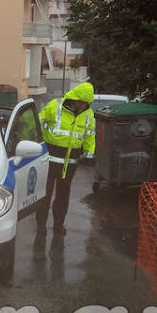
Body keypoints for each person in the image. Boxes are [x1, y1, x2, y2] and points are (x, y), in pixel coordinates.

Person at [38, 82, 96, 235]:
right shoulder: (55, 106)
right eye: (81, 101)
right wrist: (35, 142)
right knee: (45, 195)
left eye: (85, 103)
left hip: (70, 163)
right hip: (48, 160)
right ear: (75, 98)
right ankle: (41, 226)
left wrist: (89, 155)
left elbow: (90, 135)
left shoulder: (89, 115)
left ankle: (58, 225)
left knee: (63, 196)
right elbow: (39, 121)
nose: (82, 105)